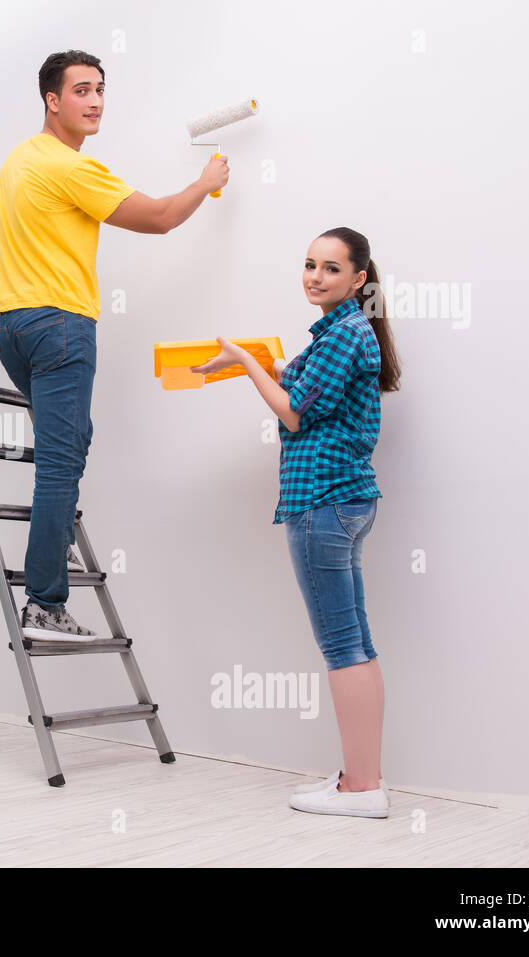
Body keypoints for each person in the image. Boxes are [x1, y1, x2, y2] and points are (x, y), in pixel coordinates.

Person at [0, 49, 229, 641]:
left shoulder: (17, 163)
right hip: (62, 327)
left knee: (71, 442)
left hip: (14, 328)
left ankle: (46, 584)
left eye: (101, 90)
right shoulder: (72, 168)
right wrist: (205, 184)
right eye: (81, 91)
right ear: (51, 100)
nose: (96, 102)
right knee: (61, 463)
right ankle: (45, 603)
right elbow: (159, 218)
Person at [190, 226, 402, 818]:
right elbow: (300, 383)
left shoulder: (346, 333)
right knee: (354, 644)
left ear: (359, 279)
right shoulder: (341, 332)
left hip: (324, 504)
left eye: (331, 269)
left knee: (342, 646)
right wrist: (258, 363)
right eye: (310, 264)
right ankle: (361, 781)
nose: (315, 276)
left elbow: (292, 413)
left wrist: (242, 362)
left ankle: (362, 789)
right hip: (345, 502)